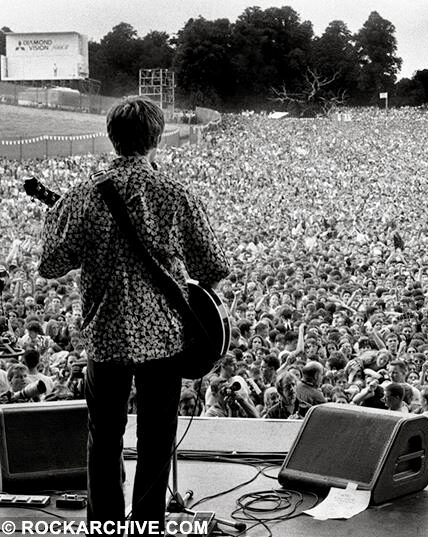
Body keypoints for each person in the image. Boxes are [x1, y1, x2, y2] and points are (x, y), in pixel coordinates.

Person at [38, 96, 230, 533]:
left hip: (104, 338)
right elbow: (214, 267)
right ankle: (147, 525)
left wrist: (55, 221)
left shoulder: (83, 195)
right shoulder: (174, 193)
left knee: (103, 441)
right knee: (157, 440)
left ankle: (104, 526)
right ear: (156, 138)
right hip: (163, 340)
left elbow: (50, 263)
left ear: (112, 137)